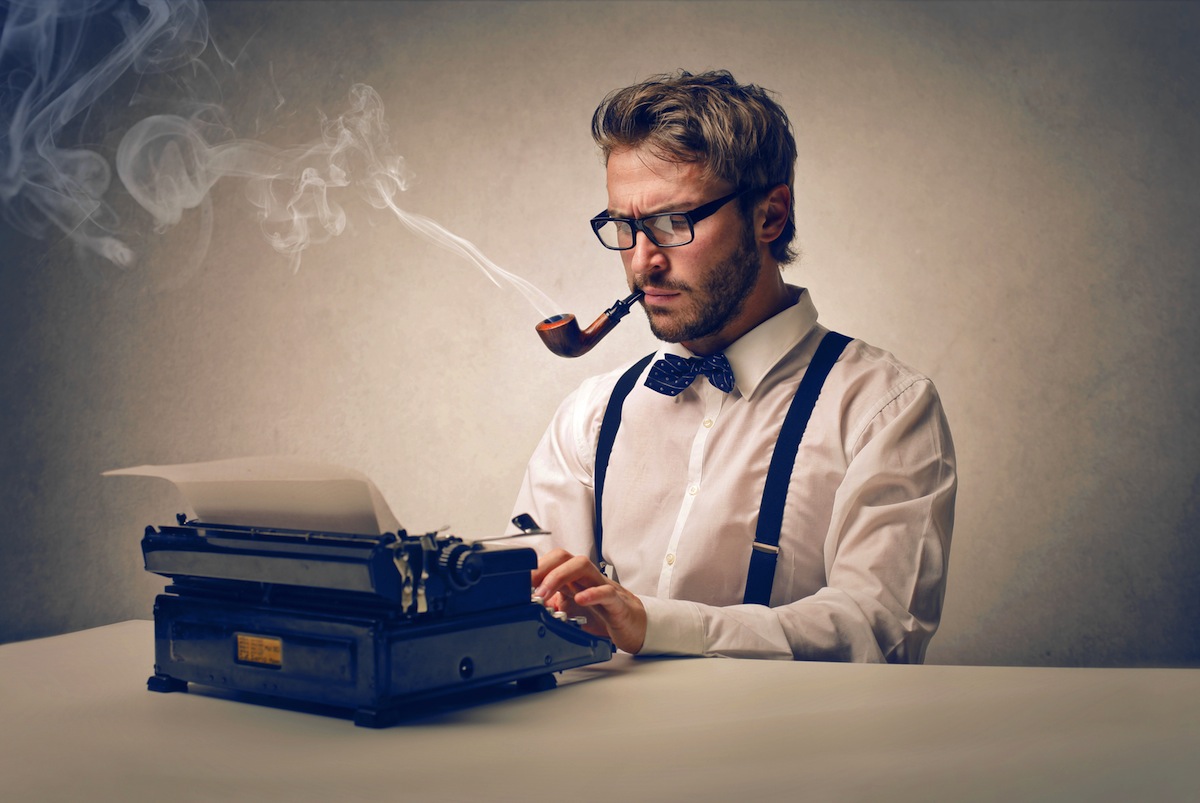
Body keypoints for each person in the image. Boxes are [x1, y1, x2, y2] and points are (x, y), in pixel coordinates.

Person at [510, 70, 956, 663]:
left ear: (770, 216)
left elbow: (878, 629)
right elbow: (528, 614)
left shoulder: (883, 408)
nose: (644, 262)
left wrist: (653, 623)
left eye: (673, 222)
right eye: (625, 226)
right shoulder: (590, 415)